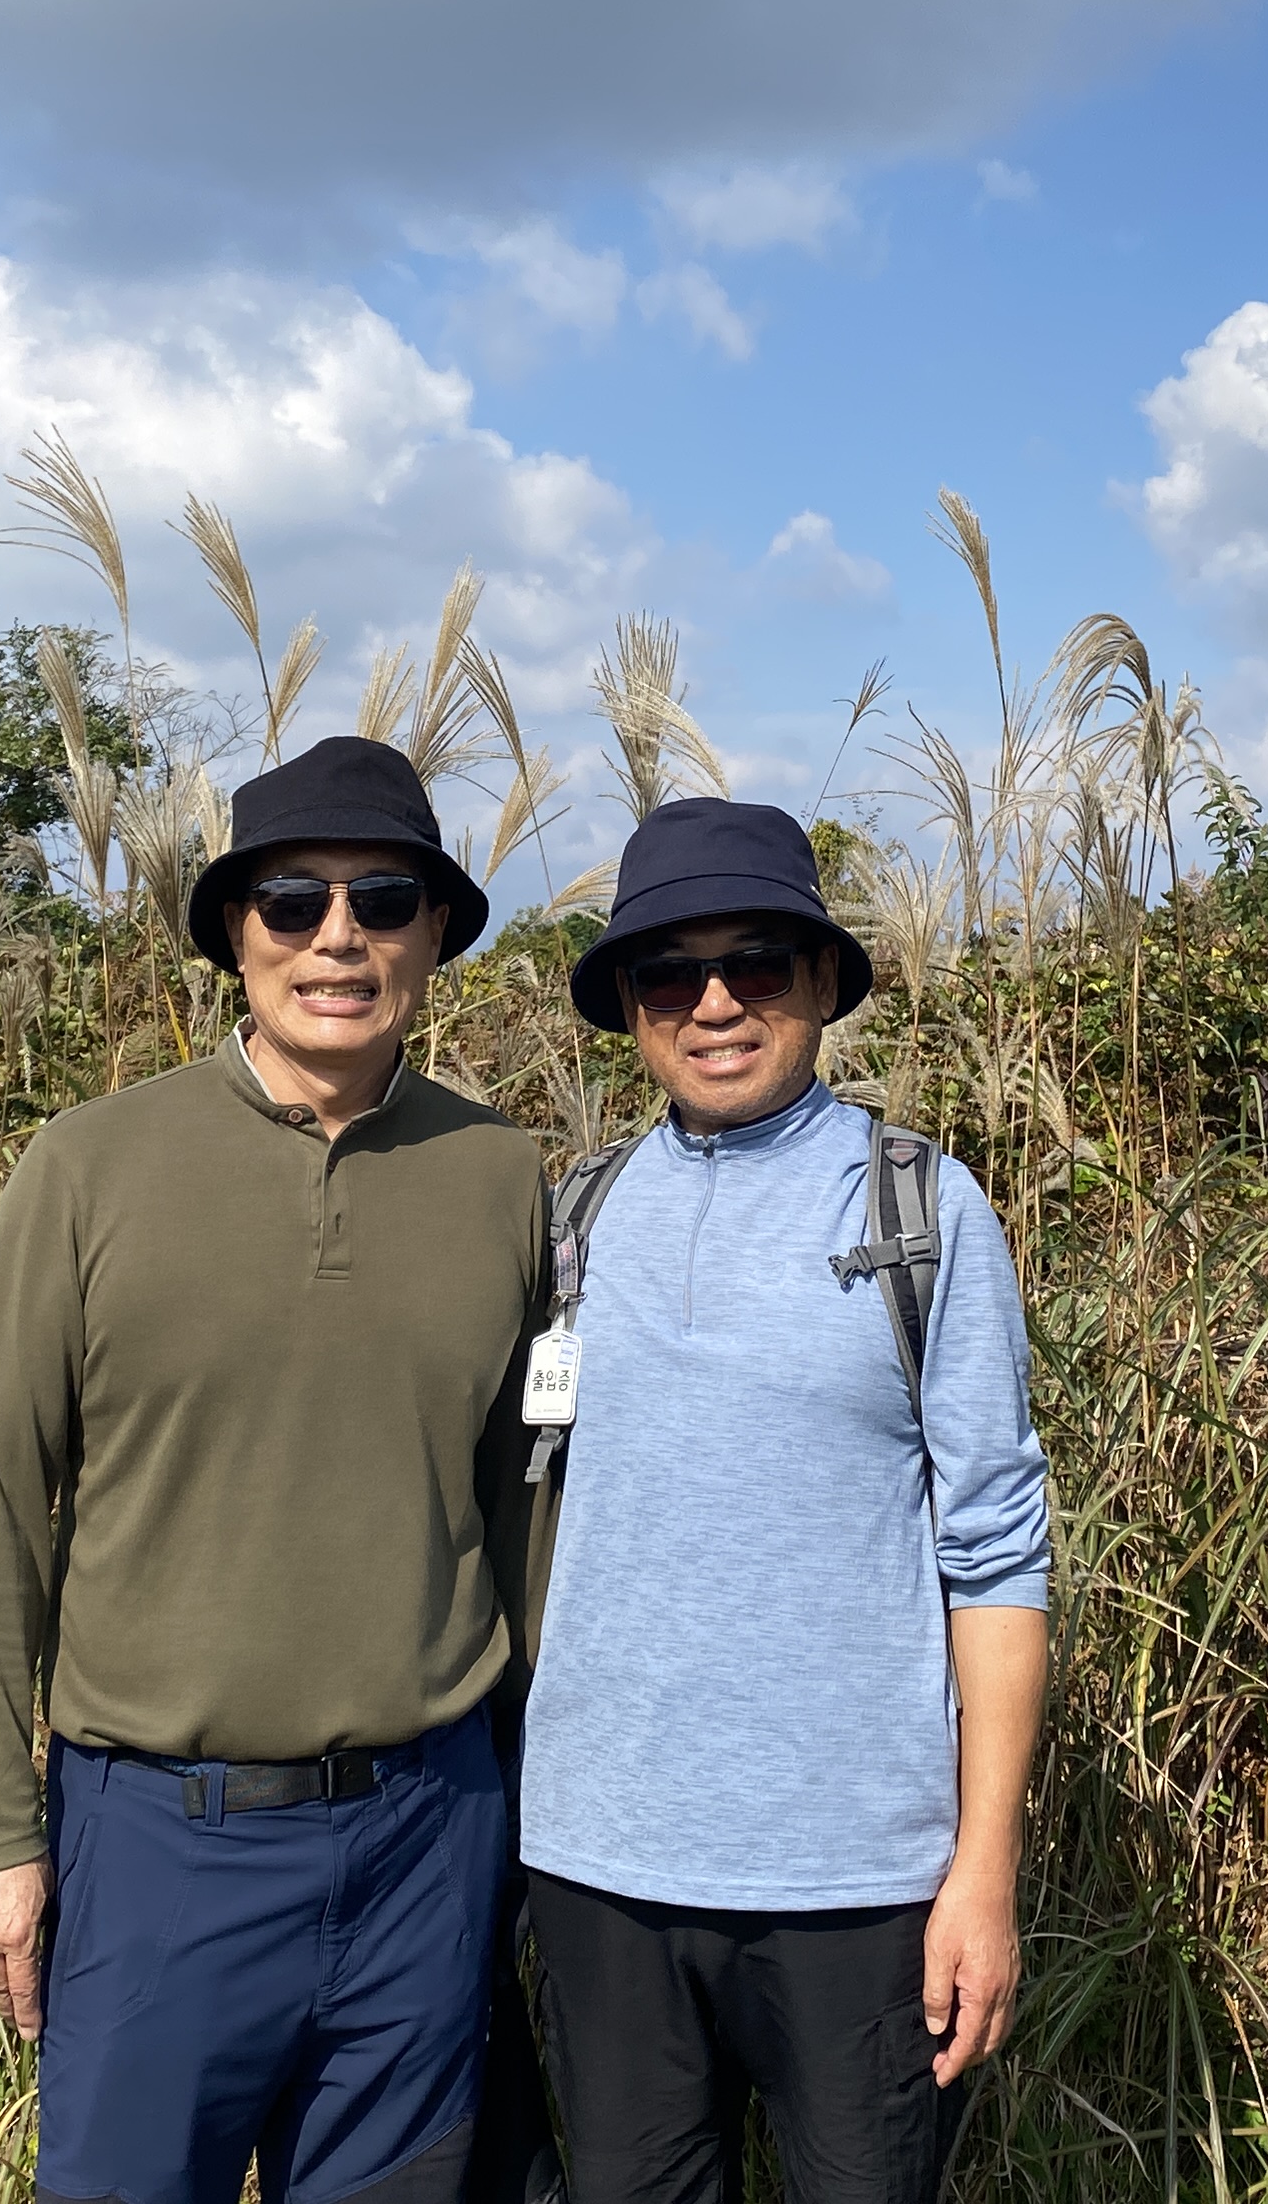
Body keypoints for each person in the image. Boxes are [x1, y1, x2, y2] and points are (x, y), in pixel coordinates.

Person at [0, 734, 550, 2204]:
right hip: (162, 1843)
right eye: (292, 901)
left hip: (430, 1836)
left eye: (383, 900)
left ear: (435, 934)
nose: (338, 937)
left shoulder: (503, 1177)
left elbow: (521, 1514)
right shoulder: (87, 1169)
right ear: (233, 932)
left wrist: (537, 1811)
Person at [515, 799, 1053, 2204]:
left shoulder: (921, 1212)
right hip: (598, 1867)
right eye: (667, 975)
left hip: (858, 1885)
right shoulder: (574, 1217)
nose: (714, 1006)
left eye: (755, 964)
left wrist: (983, 1872)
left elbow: (999, 1556)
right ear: (629, 1007)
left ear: (819, 981)